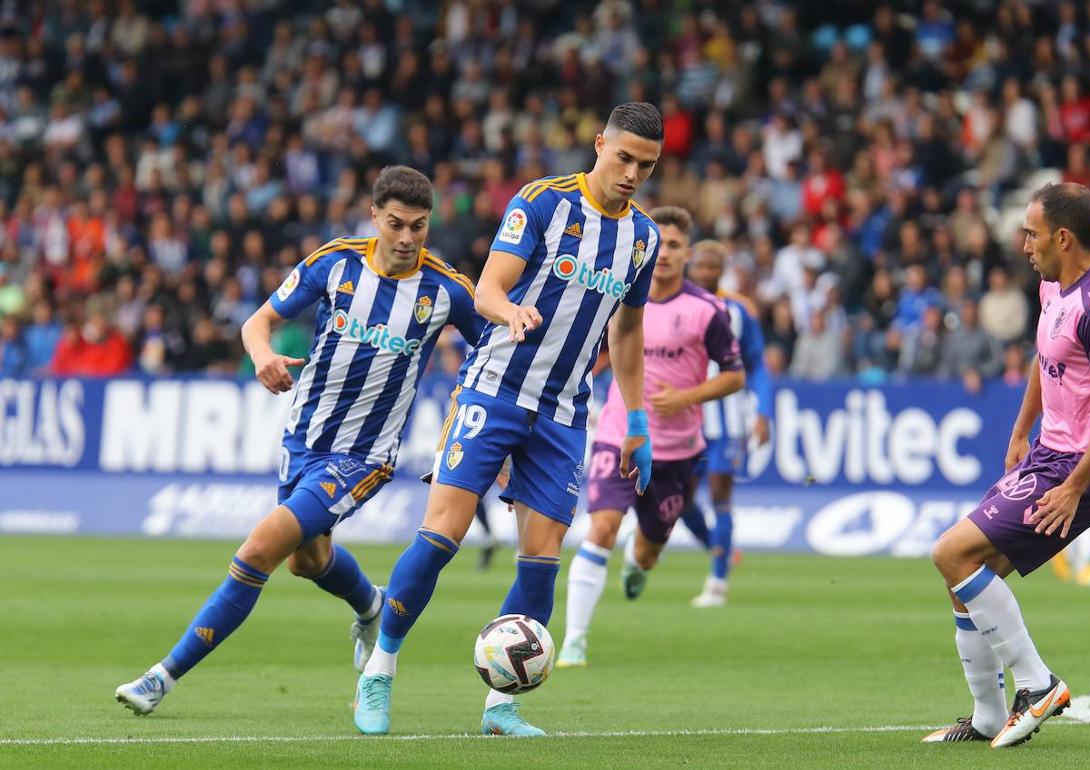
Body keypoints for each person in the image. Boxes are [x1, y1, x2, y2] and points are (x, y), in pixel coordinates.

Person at [114, 167, 485, 715]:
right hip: (302, 439)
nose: (407, 239)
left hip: (364, 457)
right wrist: (262, 356)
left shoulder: (448, 289)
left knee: (259, 550)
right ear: (374, 216)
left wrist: (471, 419)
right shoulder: (334, 263)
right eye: (397, 224)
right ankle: (372, 605)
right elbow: (257, 322)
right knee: (306, 562)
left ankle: (160, 678)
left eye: (419, 227)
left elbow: (494, 359)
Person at [352, 102, 664, 737]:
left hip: (566, 410)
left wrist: (636, 418)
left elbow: (629, 331)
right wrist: (508, 314)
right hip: (494, 388)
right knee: (442, 535)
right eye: (624, 156)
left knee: (542, 557)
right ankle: (379, 669)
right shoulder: (543, 203)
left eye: (646, 165)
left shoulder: (646, 238)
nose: (632, 173)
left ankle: (501, 706)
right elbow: (489, 288)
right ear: (599, 143)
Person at [926, 183, 1090, 747]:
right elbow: (1045, 361)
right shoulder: (1054, 286)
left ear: (1062, 238)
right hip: (1047, 454)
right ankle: (989, 717)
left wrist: (1073, 487)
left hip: (1081, 470)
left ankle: (1039, 684)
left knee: (950, 552)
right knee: (963, 575)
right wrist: (1021, 430)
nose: (1024, 244)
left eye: (1031, 233)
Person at [556, 209, 744, 668]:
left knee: (648, 547)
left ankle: (638, 565)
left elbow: (735, 376)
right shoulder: (620, 299)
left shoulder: (707, 310)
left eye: (676, 245)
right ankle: (573, 641)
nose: (665, 254)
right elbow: (597, 352)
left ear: (687, 254)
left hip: (678, 450)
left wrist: (686, 397)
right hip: (619, 435)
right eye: (660, 243)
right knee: (600, 527)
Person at [676, 239, 774, 607]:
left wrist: (763, 412)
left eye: (712, 268)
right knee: (681, 501)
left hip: (728, 419)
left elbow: (757, 363)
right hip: (686, 418)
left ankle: (718, 582)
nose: (705, 273)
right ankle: (718, 548)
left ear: (721, 271)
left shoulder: (738, 310)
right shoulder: (671, 303)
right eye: (700, 266)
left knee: (720, 494)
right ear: (691, 266)